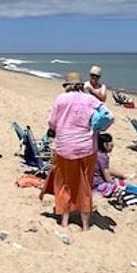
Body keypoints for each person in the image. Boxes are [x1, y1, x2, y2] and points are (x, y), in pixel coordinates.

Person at [40, 71, 101, 240]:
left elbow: (52, 122)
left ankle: (65, 222)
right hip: (87, 148)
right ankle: (85, 226)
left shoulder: (60, 99)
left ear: (67, 85)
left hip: (65, 147)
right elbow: (107, 115)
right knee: (85, 185)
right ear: (81, 85)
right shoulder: (90, 99)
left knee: (65, 184)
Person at [93, 133, 128, 197]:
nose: (112, 147)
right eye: (111, 145)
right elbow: (108, 178)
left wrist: (122, 175)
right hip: (99, 185)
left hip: (91, 184)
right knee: (128, 187)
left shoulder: (95, 153)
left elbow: (107, 169)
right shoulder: (103, 157)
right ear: (105, 145)